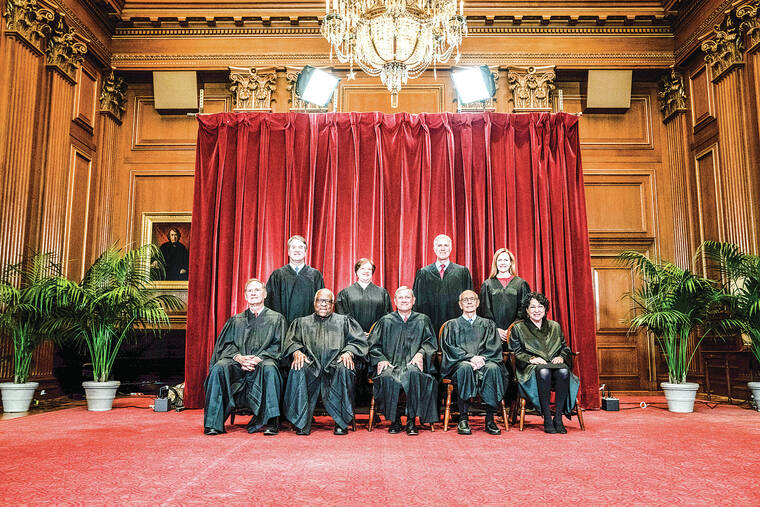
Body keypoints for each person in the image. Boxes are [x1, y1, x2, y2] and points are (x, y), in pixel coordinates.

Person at [203, 278, 287, 436]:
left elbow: (279, 346)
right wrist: (238, 358)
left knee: (270, 368)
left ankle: (271, 421)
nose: (253, 293)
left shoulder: (277, 319)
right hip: (238, 364)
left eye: (257, 290)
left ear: (265, 294)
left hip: (262, 363)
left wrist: (257, 358)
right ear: (245, 296)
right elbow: (225, 345)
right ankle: (213, 423)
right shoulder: (236, 320)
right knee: (219, 367)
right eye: (250, 291)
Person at [282, 289, 368, 435]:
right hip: (311, 365)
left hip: (336, 363)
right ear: (314, 303)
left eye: (327, 301)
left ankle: (341, 422)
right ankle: (301, 421)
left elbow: (358, 341)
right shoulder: (302, 323)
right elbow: (291, 342)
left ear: (333, 304)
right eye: (320, 301)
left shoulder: (344, 321)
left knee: (345, 367)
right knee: (298, 367)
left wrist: (348, 352)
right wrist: (296, 352)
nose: (323, 304)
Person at [367, 286, 438, 435]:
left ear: (413, 300)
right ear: (395, 301)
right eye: (400, 297)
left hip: (413, 364)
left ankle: (411, 421)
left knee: (413, 374)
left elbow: (430, 343)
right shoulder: (386, 321)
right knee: (387, 376)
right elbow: (373, 345)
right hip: (391, 364)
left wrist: (421, 354)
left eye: (407, 297)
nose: (404, 300)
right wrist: (381, 359)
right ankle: (395, 420)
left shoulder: (422, 320)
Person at [509, 292, 580, 434]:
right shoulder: (519, 328)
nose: (536, 310)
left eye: (540, 306)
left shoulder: (554, 326)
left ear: (545, 309)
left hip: (555, 365)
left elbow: (565, 348)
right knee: (544, 371)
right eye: (532, 307)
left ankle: (558, 418)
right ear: (527, 310)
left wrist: (561, 357)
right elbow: (516, 352)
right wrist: (531, 359)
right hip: (531, 368)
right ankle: (547, 417)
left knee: (563, 371)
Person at [440, 290, 507, 435]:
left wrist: (481, 359)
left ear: (477, 303)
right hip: (461, 363)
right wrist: (470, 358)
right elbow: (450, 348)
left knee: (493, 368)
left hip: (485, 361)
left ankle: (490, 420)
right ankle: (463, 419)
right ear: (460, 304)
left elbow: (493, 347)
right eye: (465, 300)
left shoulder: (488, 324)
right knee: (465, 368)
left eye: (472, 299)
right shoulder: (452, 325)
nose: (469, 302)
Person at [412, 234, 473, 334]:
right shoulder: (423, 273)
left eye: (446, 245)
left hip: (457, 327)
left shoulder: (462, 272)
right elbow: (416, 303)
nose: (443, 249)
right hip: (429, 327)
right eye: (439, 245)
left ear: (451, 248)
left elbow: (470, 301)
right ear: (434, 249)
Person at [265, 235, 325, 323]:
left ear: (305, 252)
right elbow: (269, 303)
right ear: (288, 252)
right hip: (283, 326)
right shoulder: (277, 276)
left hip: (309, 326)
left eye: (300, 247)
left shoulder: (315, 275)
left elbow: (321, 303)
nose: (297, 250)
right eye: (293, 247)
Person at [478, 248, 531, 345]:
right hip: (492, 334)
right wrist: (495, 329)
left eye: (506, 260)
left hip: (516, 333)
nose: (502, 263)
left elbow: (524, 310)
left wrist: (511, 329)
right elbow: (484, 311)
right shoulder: (487, 284)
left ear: (511, 263)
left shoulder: (521, 284)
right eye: (500, 260)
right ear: (495, 263)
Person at [335, 258, 392, 333]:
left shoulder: (382, 293)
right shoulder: (345, 293)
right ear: (357, 271)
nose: (366, 271)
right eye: (362, 268)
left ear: (372, 272)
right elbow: (342, 317)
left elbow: (387, 317)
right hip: (353, 336)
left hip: (377, 336)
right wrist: (357, 333)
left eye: (369, 269)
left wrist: (374, 333)